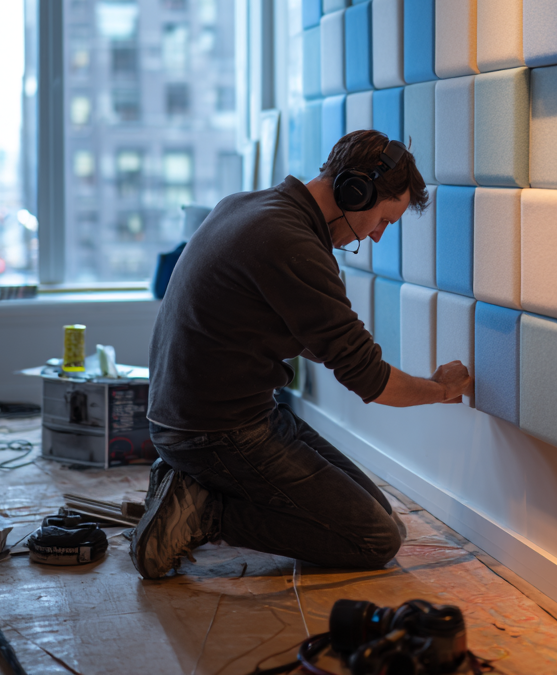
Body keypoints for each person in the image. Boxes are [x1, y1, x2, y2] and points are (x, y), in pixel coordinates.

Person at [131, 130, 473, 579]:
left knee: (384, 518)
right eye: (383, 220)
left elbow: (310, 339)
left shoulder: (248, 206)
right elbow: (370, 380)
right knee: (375, 540)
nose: (376, 236)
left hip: (216, 418)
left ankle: (194, 483)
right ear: (356, 191)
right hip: (215, 432)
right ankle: (207, 511)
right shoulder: (290, 241)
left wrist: (341, 339)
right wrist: (440, 389)